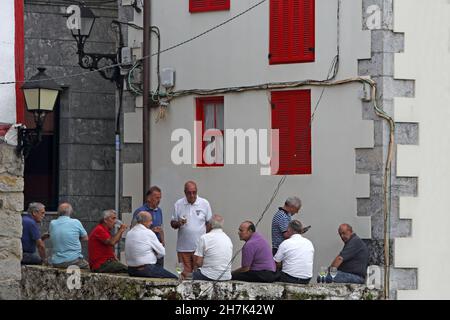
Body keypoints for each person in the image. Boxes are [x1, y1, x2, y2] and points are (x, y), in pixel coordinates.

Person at [171, 181, 212, 278]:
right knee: (182, 275)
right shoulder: (178, 204)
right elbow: (172, 223)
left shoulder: (204, 203)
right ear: (185, 192)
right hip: (182, 248)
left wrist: (206, 241)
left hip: (199, 249)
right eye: (189, 192)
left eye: (194, 192)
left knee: (199, 276)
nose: (192, 195)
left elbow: (209, 224)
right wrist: (178, 223)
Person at [125, 211, 177, 279]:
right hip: (145, 269)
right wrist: (156, 255)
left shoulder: (129, 233)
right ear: (144, 222)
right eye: (150, 220)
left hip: (131, 270)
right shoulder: (148, 232)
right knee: (174, 279)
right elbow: (162, 252)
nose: (152, 223)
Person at [193, 214, 233, 281]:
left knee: (192, 275)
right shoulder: (228, 238)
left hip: (209, 275)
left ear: (210, 225)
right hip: (226, 276)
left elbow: (198, 262)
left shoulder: (205, 237)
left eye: (206, 223)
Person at [132, 186, 165, 266]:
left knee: (160, 274)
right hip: (146, 249)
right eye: (156, 198)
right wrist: (151, 231)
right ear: (149, 198)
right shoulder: (140, 211)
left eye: (160, 198)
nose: (159, 200)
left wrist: (163, 240)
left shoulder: (159, 211)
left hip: (157, 247)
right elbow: (133, 230)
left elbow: (161, 227)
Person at [49, 203, 89, 269]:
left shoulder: (52, 223)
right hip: (73, 260)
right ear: (70, 212)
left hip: (56, 262)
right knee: (89, 269)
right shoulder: (76, 222)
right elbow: (85, 238)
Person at [274, 220, 314, 284]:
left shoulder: (285, 243)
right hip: (306, 279)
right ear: (301, 230)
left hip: (290, 278)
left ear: (289, 229)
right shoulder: (309, 243)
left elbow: (276, 263)